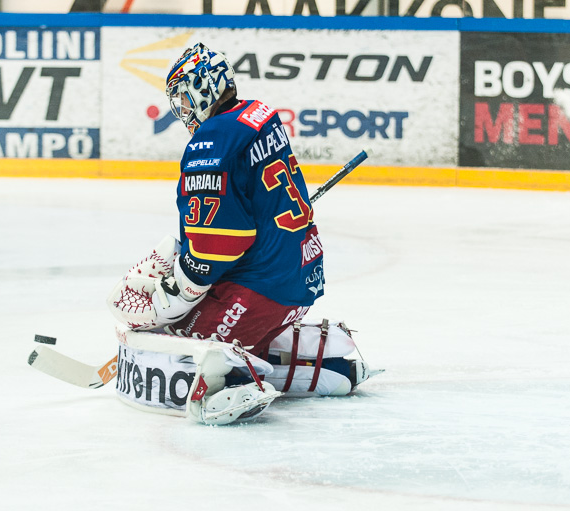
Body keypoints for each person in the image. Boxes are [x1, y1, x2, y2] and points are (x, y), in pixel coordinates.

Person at [108, 43, 378, 424]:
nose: (183, 112)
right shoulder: (258, 114)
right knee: (190, 327)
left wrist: (178, 291)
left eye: (185, 99)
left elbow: (220, 243)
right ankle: (323, 366)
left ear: (205, 89)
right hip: (301, 275)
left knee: (173, 348)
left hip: (262, 288)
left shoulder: (212, 140)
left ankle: (235, 379)